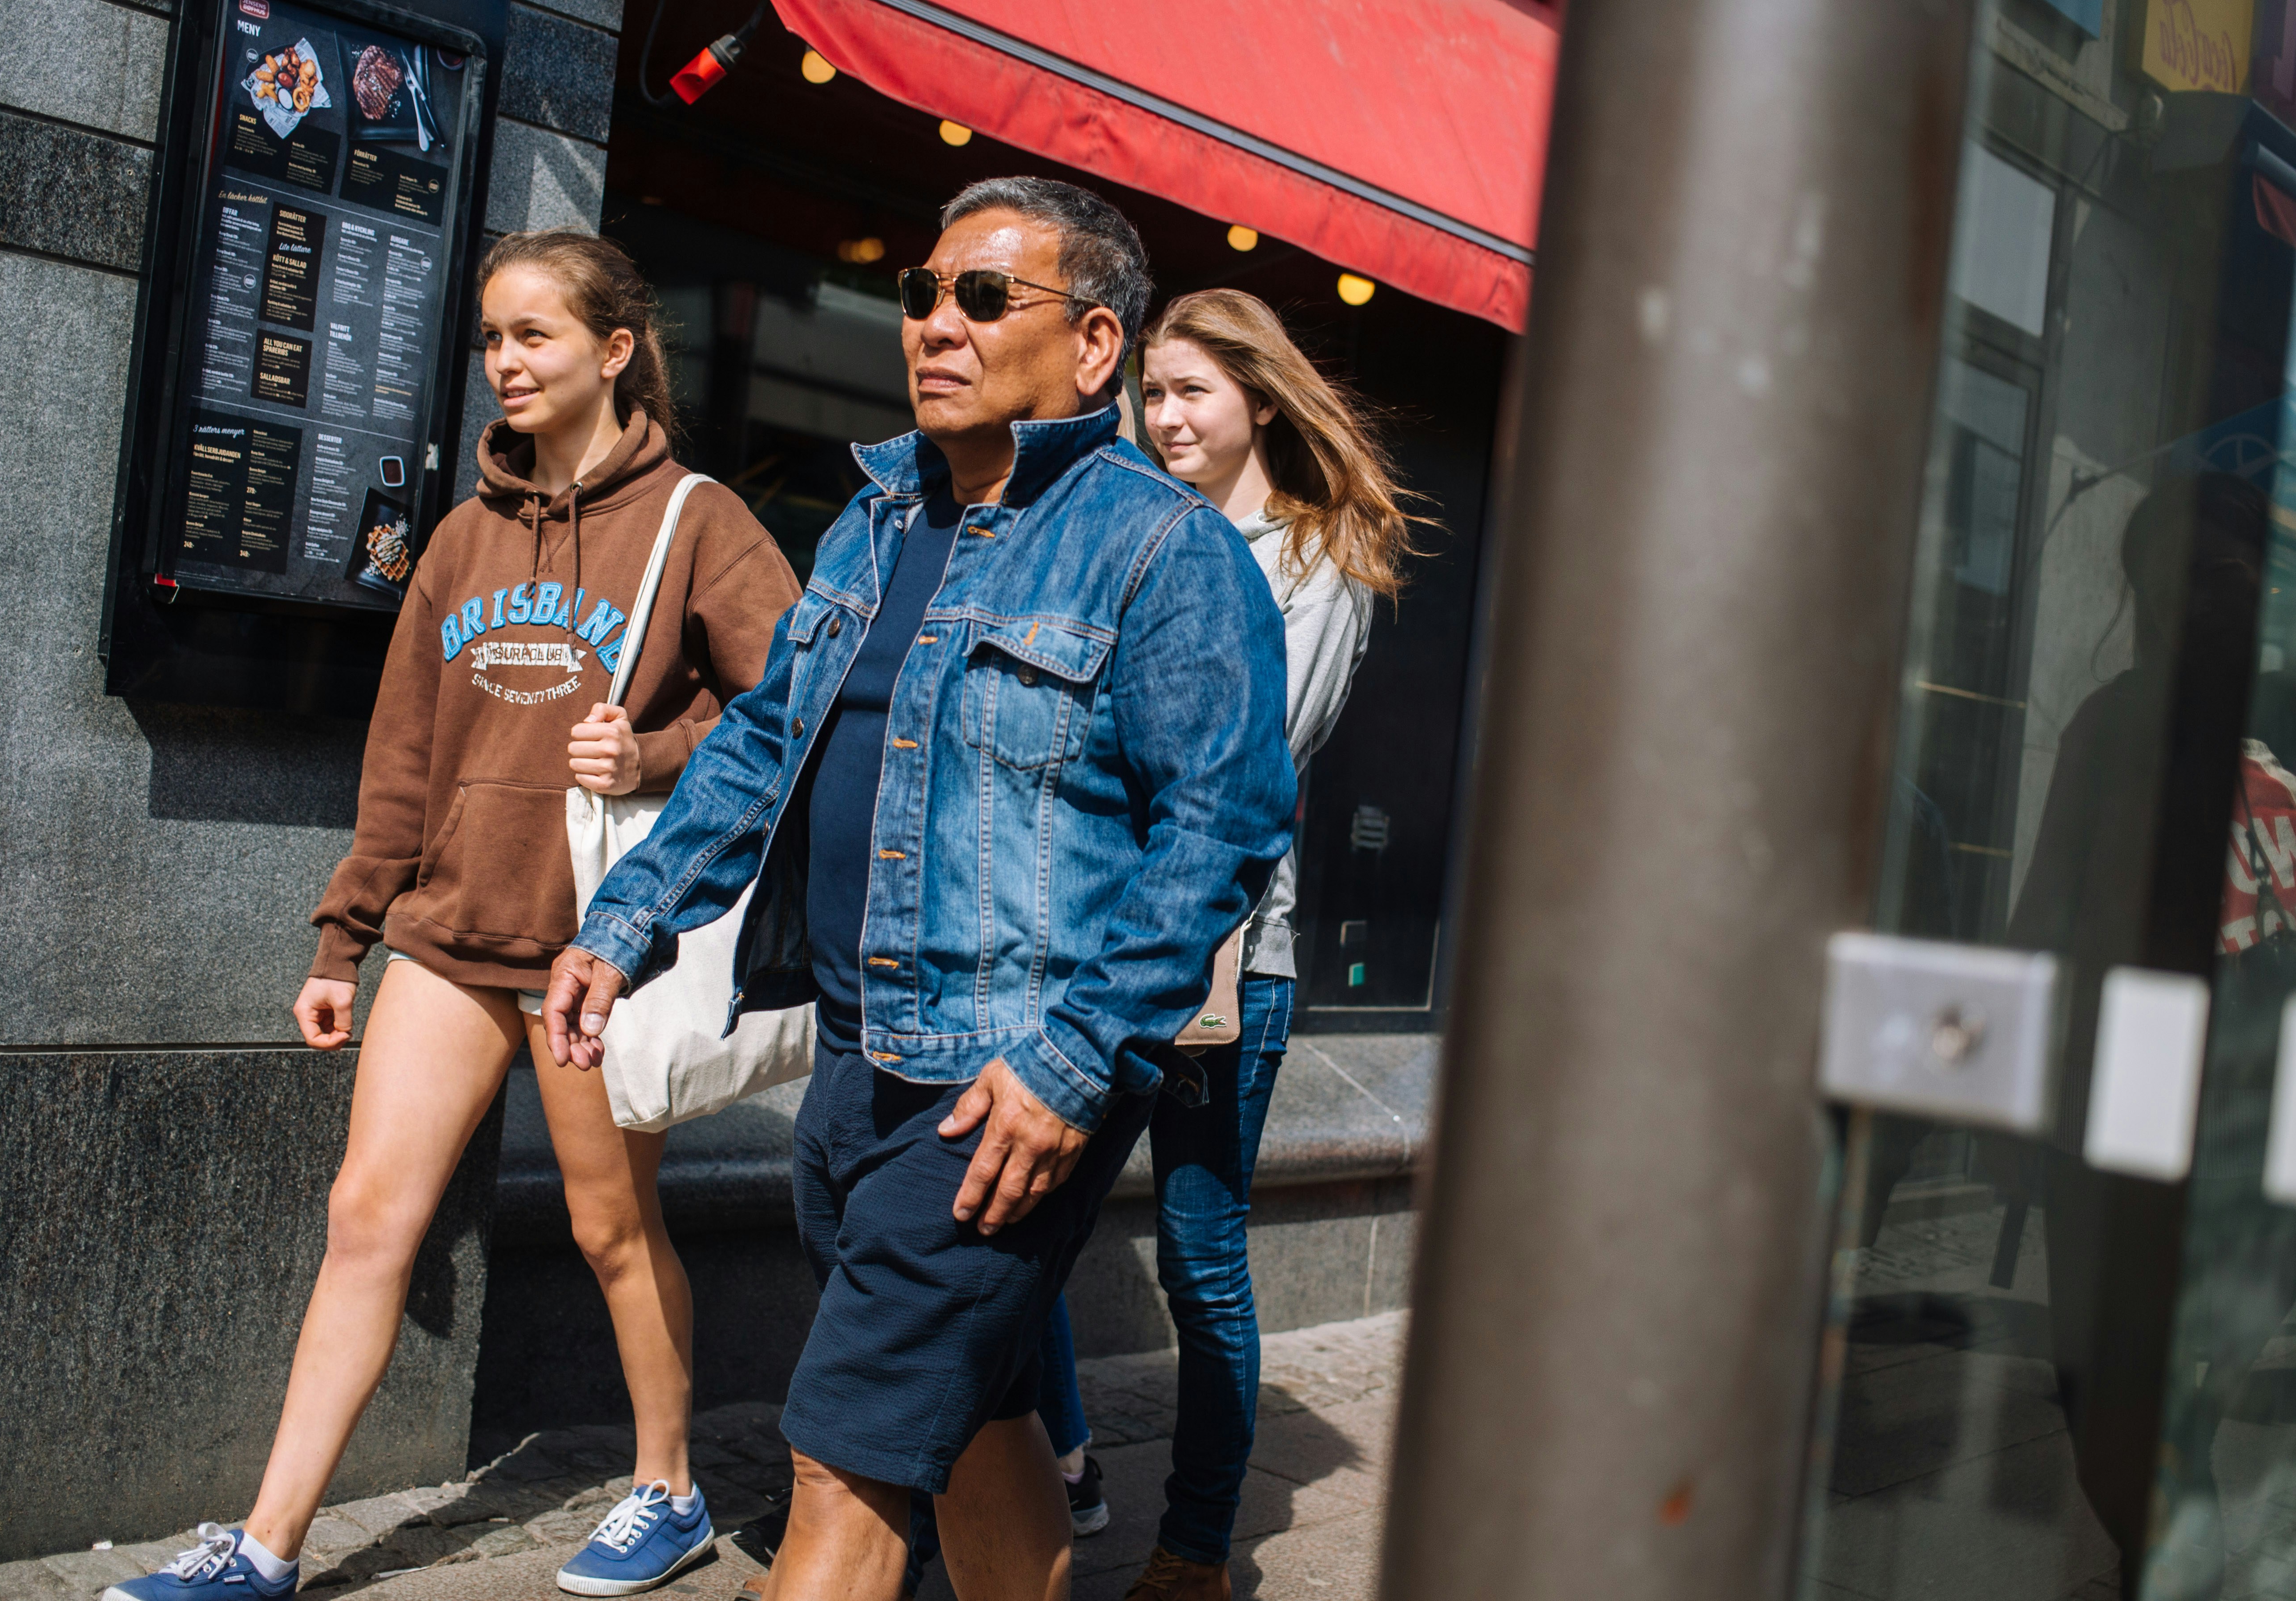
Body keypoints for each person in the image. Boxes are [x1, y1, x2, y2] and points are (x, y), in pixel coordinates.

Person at [543, 177, 1297, 1601]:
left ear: (1092, 348)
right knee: (976, 1413)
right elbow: (764, 744)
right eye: (922, 294)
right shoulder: (876, 522)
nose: (935, 323)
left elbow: (1221, 833)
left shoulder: (1163, 551)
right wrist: (628, 920)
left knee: (844, 1460)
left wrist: (1075, 1066)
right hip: (856, 1066)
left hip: (998, 1088)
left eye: (982, 297)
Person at [106, 232, 801, 1601]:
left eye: (533, 336)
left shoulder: (698, 521)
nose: (505, 363)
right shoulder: (465, 536)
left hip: (592, 943)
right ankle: (269, 1544)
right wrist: (343, 937)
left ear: (614, 351)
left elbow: (792, 712)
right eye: (492, 337)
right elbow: (404, 757)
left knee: (611, 1229)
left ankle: (667, 1487)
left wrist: (657, 757)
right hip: (447, 929)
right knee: (367, 1213)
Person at [1028, 290, 1422, 1601]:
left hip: (1222, 965)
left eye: (1193, 389)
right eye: (1154, 392)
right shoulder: (1133, 529)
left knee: (1201, 1261)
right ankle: (1060, 1469)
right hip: (1084, 946)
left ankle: (1197, 1547)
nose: (1166, 415)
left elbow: (1247, 761)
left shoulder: (1314, 560)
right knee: (1015, 1236)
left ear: (1258, 395)